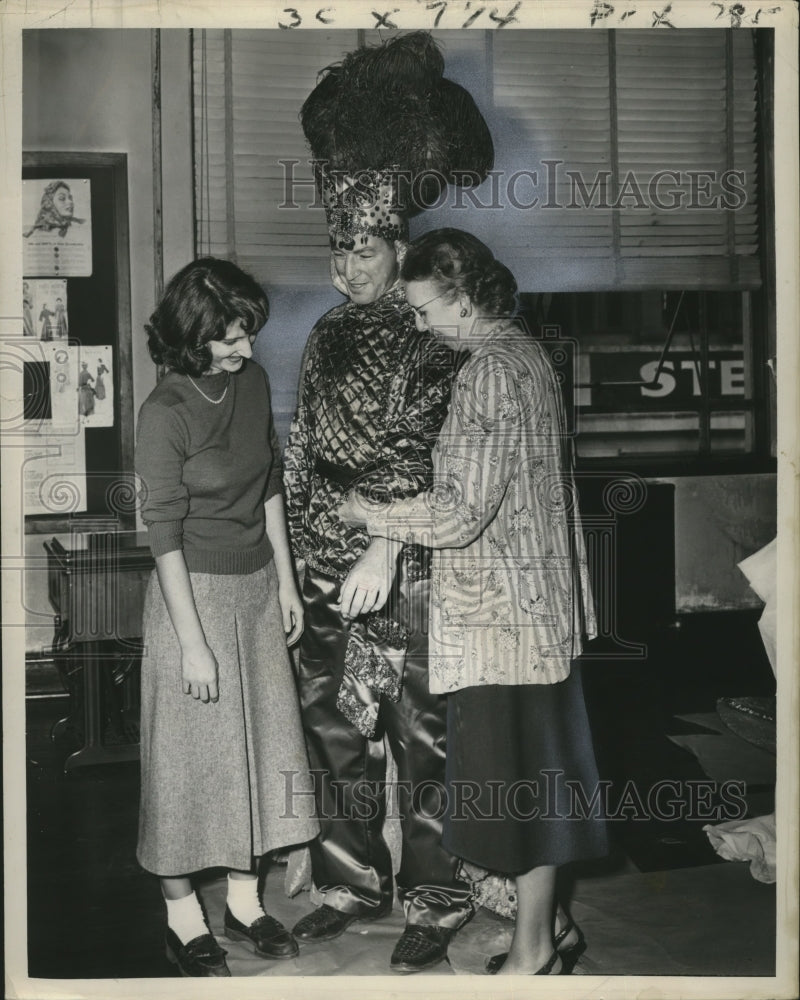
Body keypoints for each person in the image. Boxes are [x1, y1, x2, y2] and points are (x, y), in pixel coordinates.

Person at [338, 229, 609, 976]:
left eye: (426, 310)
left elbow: (460, 513)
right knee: (541, 782)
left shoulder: (487, 372)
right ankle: (551, 931)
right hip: (539, 614)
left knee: (517, 797)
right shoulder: (529, 354)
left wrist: (374, 519)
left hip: (501, 623)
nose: (422, 326)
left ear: (462, 297)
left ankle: (531, 957)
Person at [282, 30, 495, 975]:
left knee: (419, 730)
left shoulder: (432, 333)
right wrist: (292, 560)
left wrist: (382, 551)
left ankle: (440, 896)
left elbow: (417, 446)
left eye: (361, 250)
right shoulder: (326, 332)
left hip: (403, 564)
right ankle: (348, 881)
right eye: (336, 249)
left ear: (396, 243)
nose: (345, 268)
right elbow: (300, 447)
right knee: (332, 724)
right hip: (323, 557)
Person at [135, 257, 317, 977]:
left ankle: (247, 901)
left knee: (265, 751)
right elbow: (163, 536)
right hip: (193, 597)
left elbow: (268, 481)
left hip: (255, 587)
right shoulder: (165, 412)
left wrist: (287, 584)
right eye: (230, 340)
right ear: (192, 336)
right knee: (186, 766)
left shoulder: (252, 383)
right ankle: (183, 917)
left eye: (248, 336)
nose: (245, 351)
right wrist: (193, 644)